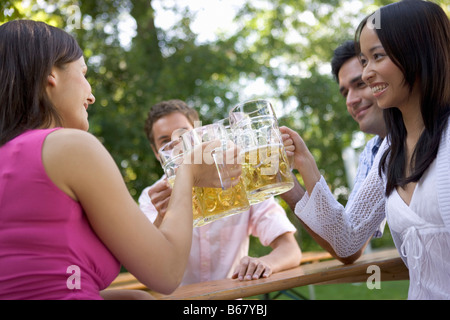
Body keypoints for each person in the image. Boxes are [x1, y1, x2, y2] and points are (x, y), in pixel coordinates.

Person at [0, 20, 240, 300]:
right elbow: (166, 273)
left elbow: (34, 282)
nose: (90, 95)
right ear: (52, 73)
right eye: (84, 73)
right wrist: (188, 172)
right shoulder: (69, 146)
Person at [282, 0, 450, 299]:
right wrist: (304, 164)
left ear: (419, 52)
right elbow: (347, 240)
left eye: (377, 57)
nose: (369, 73)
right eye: (364, 61)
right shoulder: (389, 152)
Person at [138, 99, 302, 285]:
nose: (178, 147)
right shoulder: (152, 197)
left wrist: (264, 263)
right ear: (156, 152)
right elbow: (147, 266)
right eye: (165, 141)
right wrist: (162, 218)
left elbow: (290, 249)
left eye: (184, 136)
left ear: (199, 135)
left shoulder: (240, 176)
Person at [280, 40, 387, 264]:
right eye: (345, 92)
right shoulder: (374, 152)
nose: (351, 100)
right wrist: (286, 179)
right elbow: (348, 244)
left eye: (361, 84)